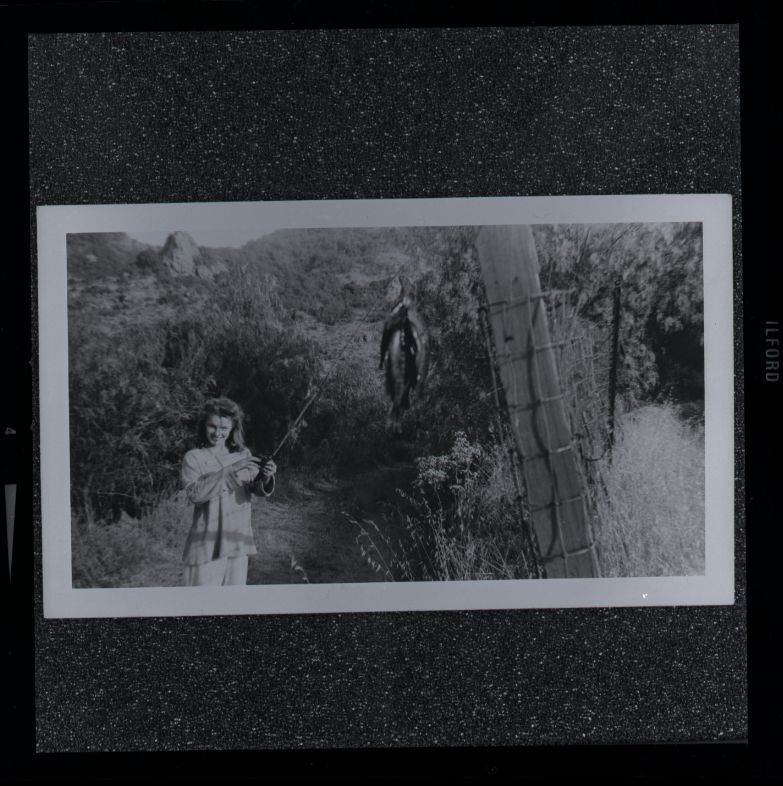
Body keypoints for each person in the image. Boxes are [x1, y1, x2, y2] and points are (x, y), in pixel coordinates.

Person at [181, 397, 276, 586]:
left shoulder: (243, 454)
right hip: (205, 546)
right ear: (204, 425)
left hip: (238, 542)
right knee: (201, 601)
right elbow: (195, 495)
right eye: (212, 426)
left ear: (233, 428)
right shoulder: (193, 457)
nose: (218, 433)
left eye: (224, 428)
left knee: (233, 601)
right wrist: (232, 469)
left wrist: (266, 476)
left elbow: (255, 488)